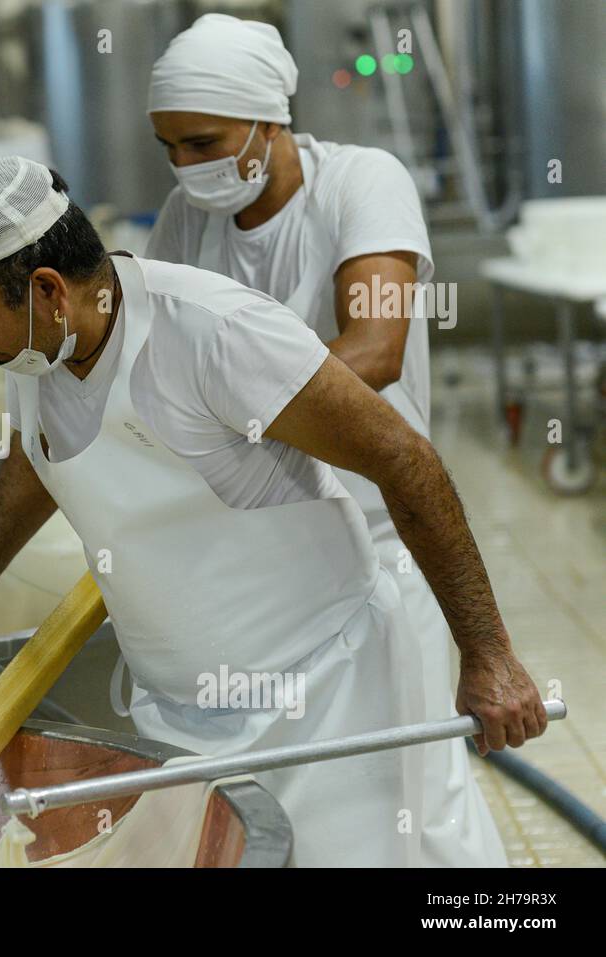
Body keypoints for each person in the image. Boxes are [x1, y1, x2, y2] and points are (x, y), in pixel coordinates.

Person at [0, 155, 544, 867]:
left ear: (47, 290)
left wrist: (490, 654)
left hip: (324, 697)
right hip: (181, 716)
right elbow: (37, 462)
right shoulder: (36, 356)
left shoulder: (214, 332)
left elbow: (405, 461)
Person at [143, 13, 506, 865]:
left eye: (205, 142)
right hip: (271, 562)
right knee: (325, 801)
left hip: (383, 542)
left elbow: (374, 348)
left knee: (426, 796)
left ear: (270, 121)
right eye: (170, 148)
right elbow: (152, 356)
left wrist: (229, 426)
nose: (187, 167)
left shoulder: (361, 183)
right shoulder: (186, 218)